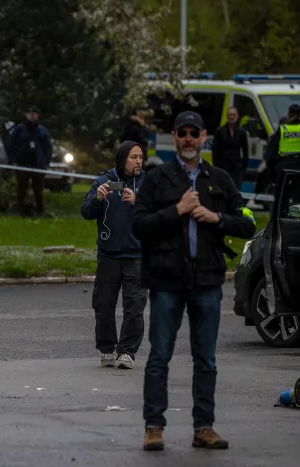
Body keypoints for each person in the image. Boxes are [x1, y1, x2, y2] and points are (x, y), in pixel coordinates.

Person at [132, 111, 256, 451]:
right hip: (166, 281)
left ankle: (204, 427)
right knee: (159, 357)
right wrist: (178, 210)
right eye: (182, 133)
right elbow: (138, 225)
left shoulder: (219, 178)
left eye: (194, 133)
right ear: (175, 137)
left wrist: (217, 217)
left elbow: (247, 223)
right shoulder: (157, 178)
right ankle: (153, 427)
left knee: (206, 360)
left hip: (207, 281)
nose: (188, 139)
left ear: (204, 138)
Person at [81, 141, 146, 369]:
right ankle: (107, 348)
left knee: (134, 305)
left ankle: (127, 352)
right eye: (133, 157)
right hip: (108, 255)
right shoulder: (104, 182)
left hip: (137, 255)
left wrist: (139, 202)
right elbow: (86, 212)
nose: (139, 161)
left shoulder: (148, 183)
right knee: (104, 304)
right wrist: (98, 199)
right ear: (122, 159)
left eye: (140, 157)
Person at [7, 106, 53, 217]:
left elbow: (48, 147)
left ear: (38, 115)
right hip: (22, 164)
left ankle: (40, 211)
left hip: (38, 165)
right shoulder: (19, 129)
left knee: (38, 190)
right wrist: (13, 160)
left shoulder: (43, 130)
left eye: (35, 113)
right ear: (26, 115)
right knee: (21, 189)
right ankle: (21, 211)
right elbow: (11, 146)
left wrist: (46, 163)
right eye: (30, 113)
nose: (32, 116)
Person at [212, 106, 249, 190]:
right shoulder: (220, 131)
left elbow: (245, 150)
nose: (231, 117)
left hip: (237, 167)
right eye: (229, 115)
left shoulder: (241, 132)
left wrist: (244, 165)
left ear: (237, 116)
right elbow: (215, 151)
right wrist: (217, 166)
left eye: (233, 115)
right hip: (223, 167)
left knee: (235, 190)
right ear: (227, 116)